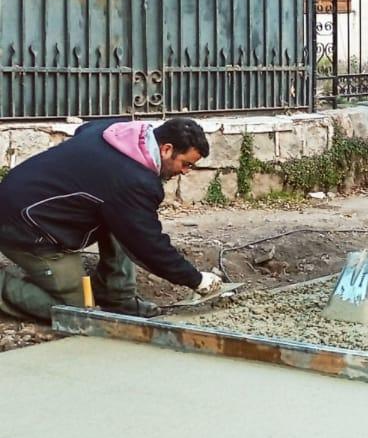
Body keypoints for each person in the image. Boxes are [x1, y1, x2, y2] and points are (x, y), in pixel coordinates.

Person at [0, 116, 220, 322]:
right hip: (24, 224)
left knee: (125, 220)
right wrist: (196, 280)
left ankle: (117, 298)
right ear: (166, 149)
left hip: (26, 197)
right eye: (186, 164)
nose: (186, 172)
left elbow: (84, 129)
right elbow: (150, 246)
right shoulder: (134, 182)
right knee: (76, 312)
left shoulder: (117, 132)